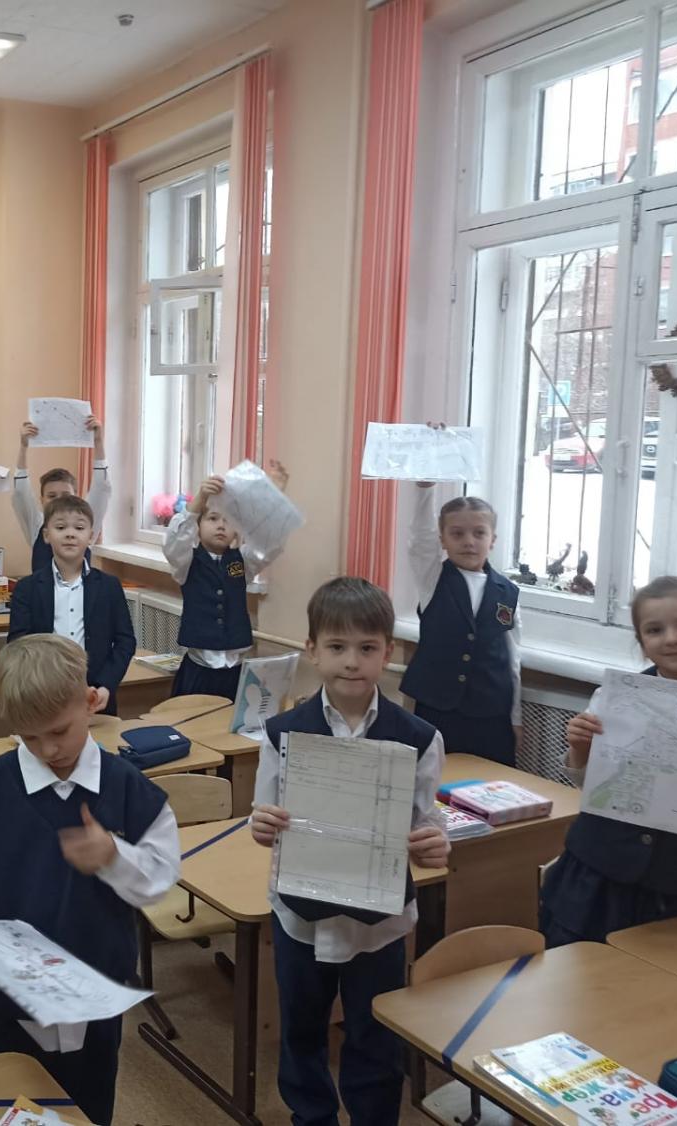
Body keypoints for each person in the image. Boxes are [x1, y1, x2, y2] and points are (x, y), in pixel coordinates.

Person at [0, 634, 180, 1126]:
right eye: (29, 738)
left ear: (90, 702)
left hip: (95, 991)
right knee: (5, 1106)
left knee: (88, 1109)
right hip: (10, 994)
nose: (48, 749)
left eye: (59, 731)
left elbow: (160, 876)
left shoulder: (126, 786)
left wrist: (114, 856)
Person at [250, 577, 449, 1126]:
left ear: (388, 652)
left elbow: (426, 821)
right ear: (312, 650)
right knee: (302, 1029)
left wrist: (434, 843)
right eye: (337, 646)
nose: (352, 661)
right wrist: (261, 824)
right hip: (300, 914)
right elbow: (265, 815)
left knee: (374, 1033)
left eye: (367, 647)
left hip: (379, 924)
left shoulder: (420, 737)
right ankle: (310, 1117)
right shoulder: (281, 733)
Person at [540, 576, 677, 945]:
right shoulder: (614, 698)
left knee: (657, 970)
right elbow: (587, 782)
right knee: (572, 960)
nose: (672, 638)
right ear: (643, 643)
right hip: (595, 872)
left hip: (676, 884)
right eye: (655, 630)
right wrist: (581, 748)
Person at [401, 463, 522, 764]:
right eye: (457, 534)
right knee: (434, 778)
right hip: (437, 709)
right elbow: (421, 540)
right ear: (442, 540)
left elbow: (512, 658)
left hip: (491, 712)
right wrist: (425, 490)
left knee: (491, 781)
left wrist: (516, 716)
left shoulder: (508, 591)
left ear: (493, 539)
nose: (469, 541)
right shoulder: (432, 579)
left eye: (479, 533)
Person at [162, 464, 289, 699]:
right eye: (212, 518)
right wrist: (199, 500)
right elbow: (174, 541)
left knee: (232, 719)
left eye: (228, 521)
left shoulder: (242, 561)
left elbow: (268, 542)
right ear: (198, 526)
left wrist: (274, 496)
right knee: (193, 718)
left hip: (236, 670)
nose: (221, 525)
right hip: (199, 669)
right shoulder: (186, 561)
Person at [8, 496, 135, 715]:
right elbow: (18, 644)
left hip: (96, 695)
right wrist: (40, 682)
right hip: (43, 694)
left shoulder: (109, 586)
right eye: (60, 527)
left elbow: (125, 641)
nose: (70, 534)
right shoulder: (27, 588)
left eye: (79, 527)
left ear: (91, 536)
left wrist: (106, 685)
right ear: (46, 535)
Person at [13, 416, 110, 573]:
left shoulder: (85, 521)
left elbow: (101, 488)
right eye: (52, 496)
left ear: (76, 496)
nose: (59, 501)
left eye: (65, 495)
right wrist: (23, 446)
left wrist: (98, 442)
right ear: (42, 500)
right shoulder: (36, 524)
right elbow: (20, 492)